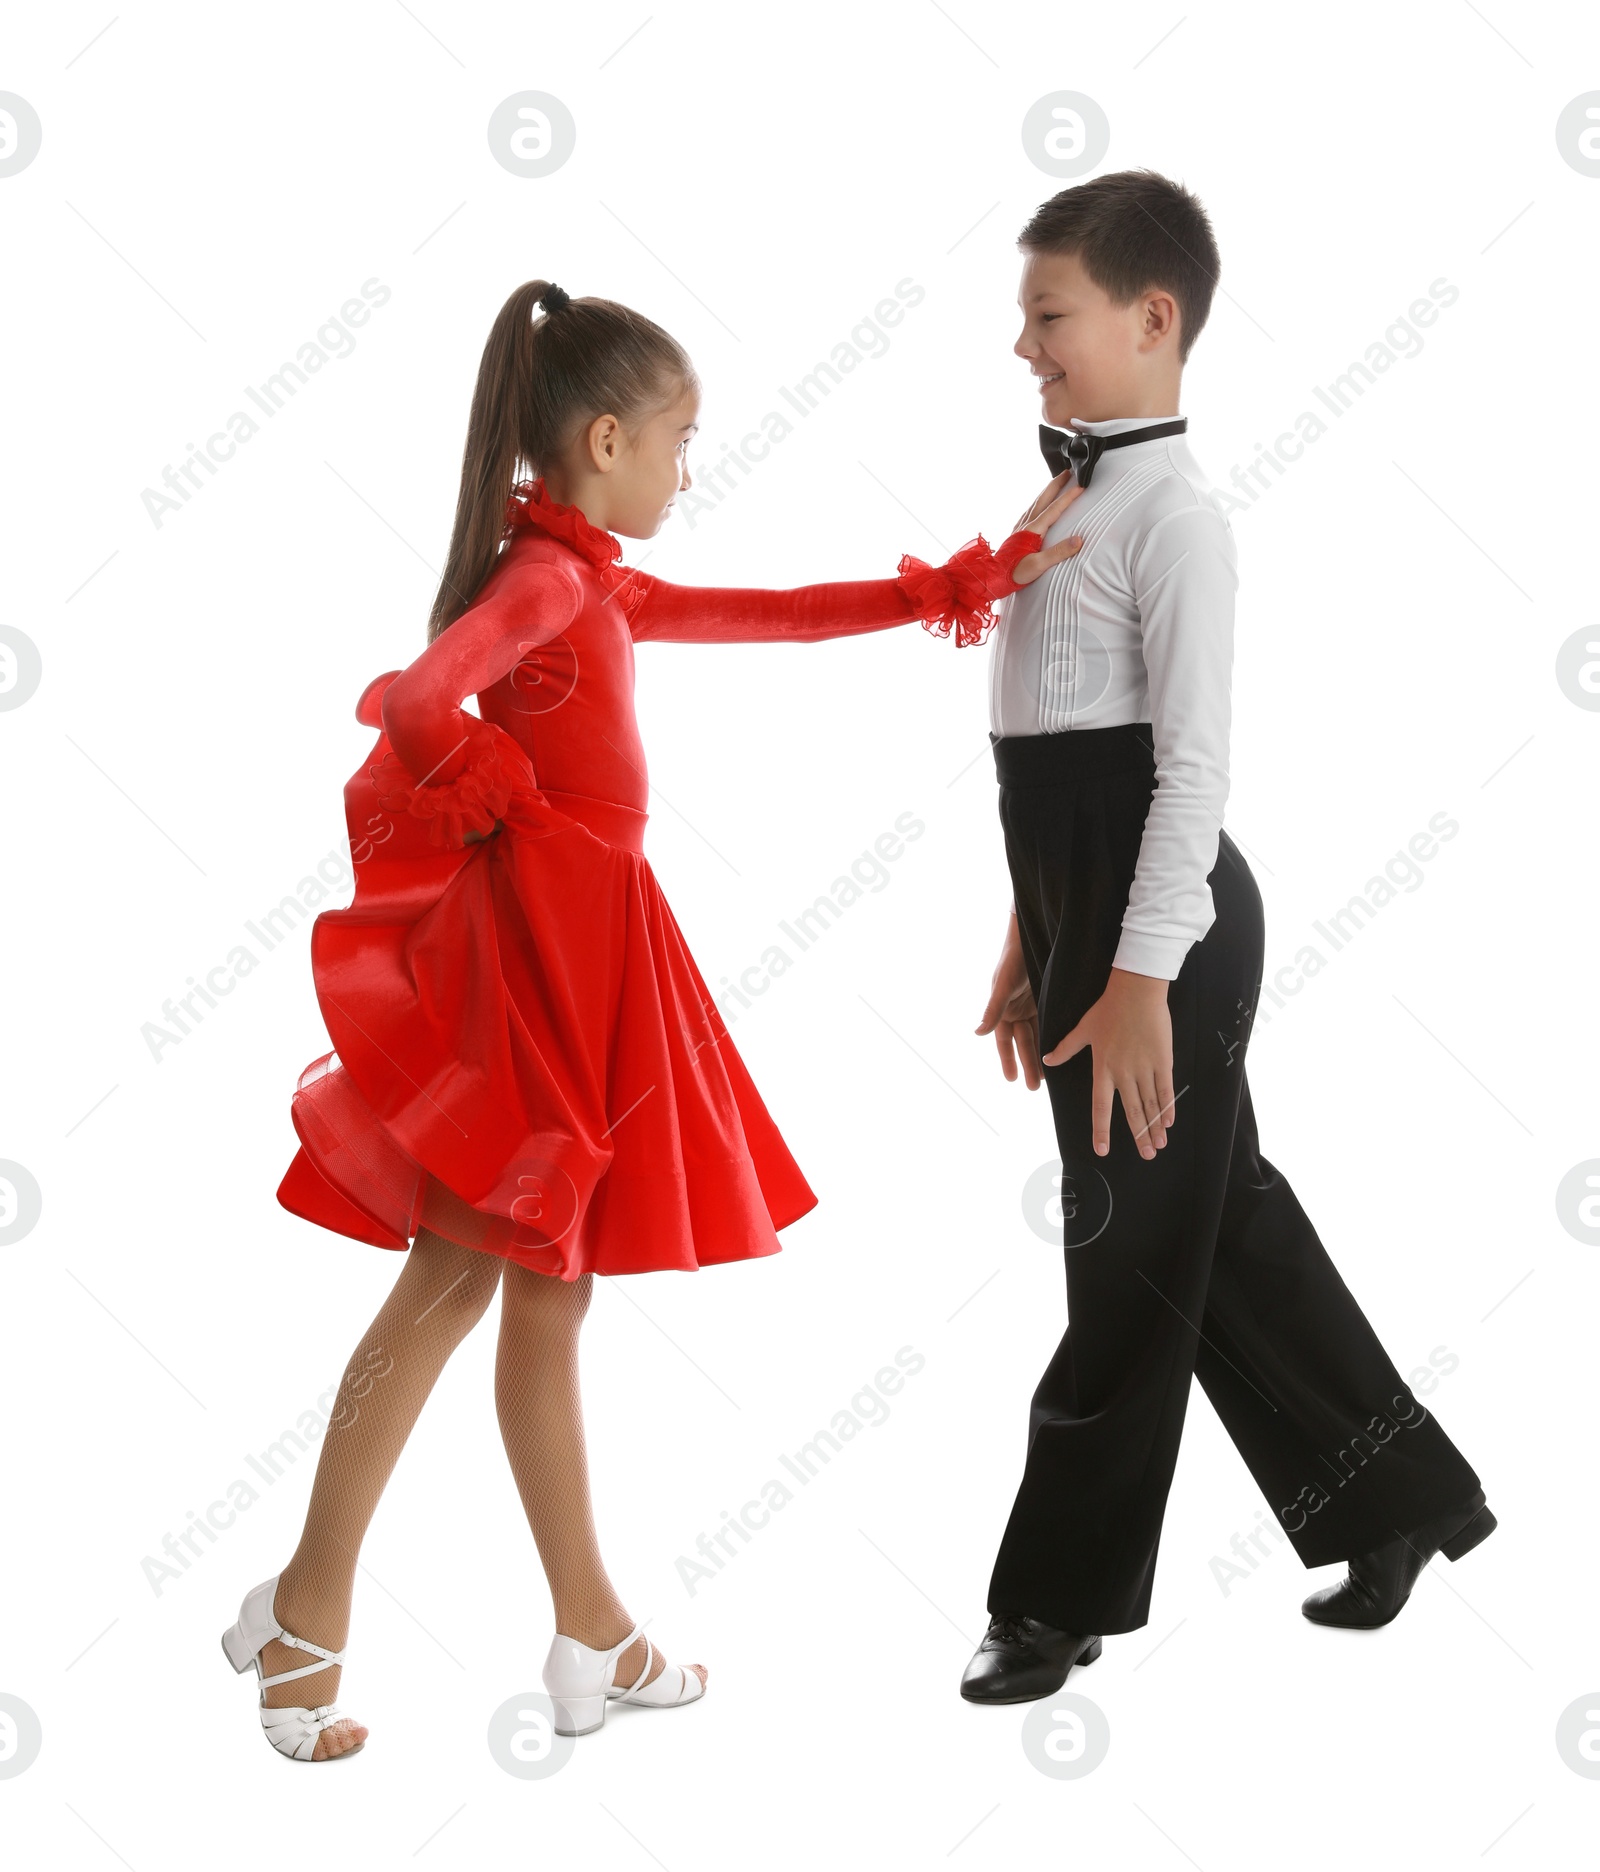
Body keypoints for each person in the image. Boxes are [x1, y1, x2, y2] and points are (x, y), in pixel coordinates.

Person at [220, 279, 1085, 1761]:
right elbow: (421, 702)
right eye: (683, 441)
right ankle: (304, 1618)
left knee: (547, 1300)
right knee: (451, 1293)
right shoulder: (545, 587)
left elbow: (781, 614)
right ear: (607, 437)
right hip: (542, 981)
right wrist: (496, 788)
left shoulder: (587, 581)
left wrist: (953, 585)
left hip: (589, 960)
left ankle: (590, 1636)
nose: (691, 468)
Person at [960, 170, 1495, 1706]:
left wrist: (1131, 981)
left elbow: (1182, 774)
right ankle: (1402, 1500)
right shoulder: (1062, 501)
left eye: (1047, 315)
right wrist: (1031, 935)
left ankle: (1053, 1603)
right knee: (1224, 1224)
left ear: (1152, 318)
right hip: (1087, 912)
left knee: (1124, 1256)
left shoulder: (1176, 521)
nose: (1025, 347)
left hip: (1170, 930)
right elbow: (1048, 754)